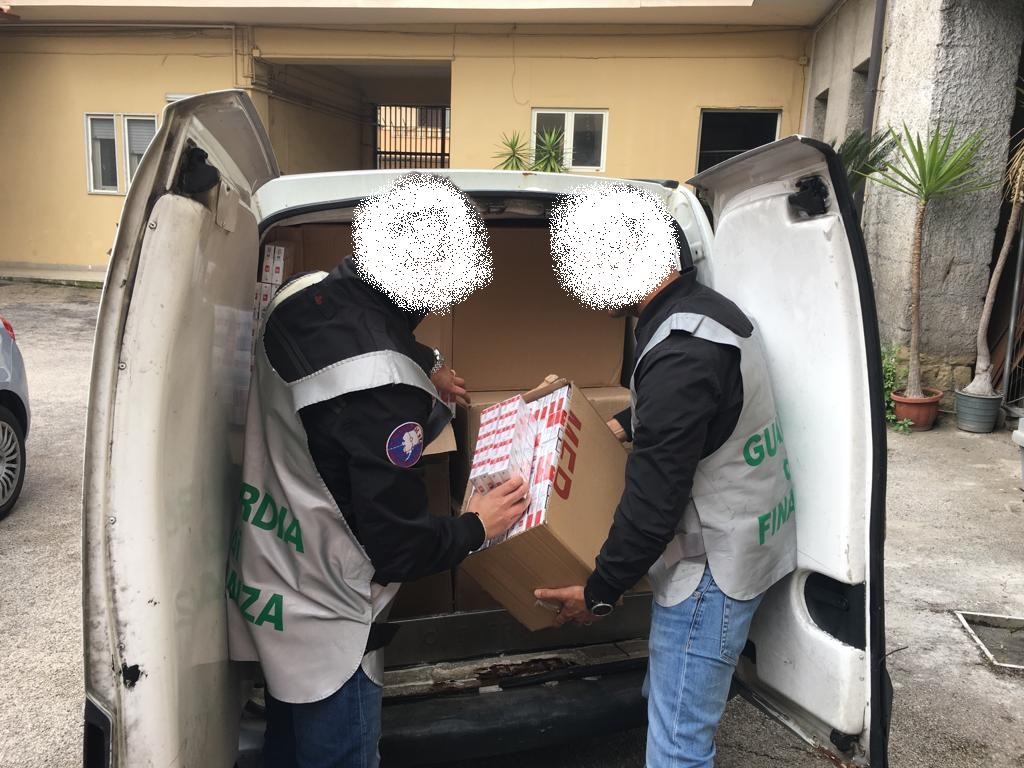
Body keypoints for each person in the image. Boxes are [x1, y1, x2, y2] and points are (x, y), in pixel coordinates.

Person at [227, 173, 528, 768]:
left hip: (274, 567)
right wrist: (477, 526)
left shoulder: (299, 294)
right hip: (330, 611)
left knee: (286, 744)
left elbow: (356, 326)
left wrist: (426, 362)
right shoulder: (382, 391)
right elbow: (397, 548)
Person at [536, 184, 796, 768]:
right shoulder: (704, 312)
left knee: (678, 746)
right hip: (745, 535)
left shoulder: (680, 349)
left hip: (711, 567)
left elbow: (654, 501)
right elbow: (697, 409)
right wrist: (626, 424)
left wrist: (601, 592)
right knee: (673, 708)